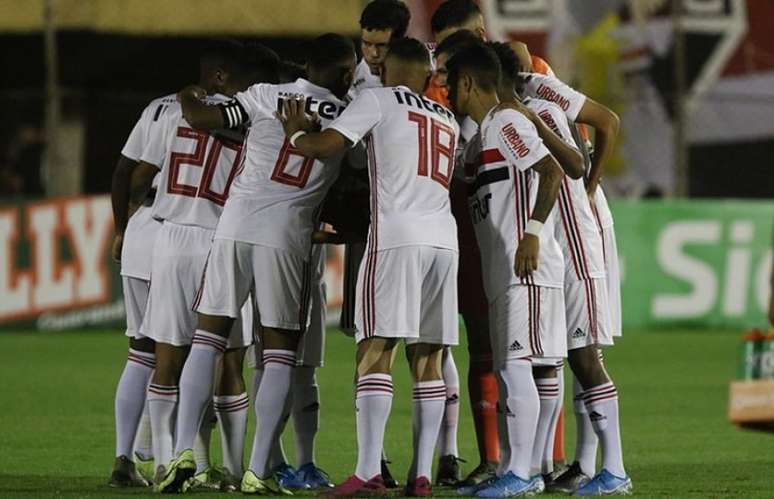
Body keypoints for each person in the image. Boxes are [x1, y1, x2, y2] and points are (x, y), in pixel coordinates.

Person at [160, 33, 356, 495]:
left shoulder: (266, 94)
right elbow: (357, 183)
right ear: (347, 74)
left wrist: (190, 92)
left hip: (234, 223)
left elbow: (203, 117)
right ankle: (258, 469)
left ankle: (183, 451)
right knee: (279, 352)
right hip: (287, 235)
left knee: (207, 337)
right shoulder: (350, 116)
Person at [277, 37, 460, 497]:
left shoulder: (375, 98)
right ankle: (420, 475)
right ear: (428, 75)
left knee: (374, 349)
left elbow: (327, 146)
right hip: (444, 238)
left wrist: (296, 132)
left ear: (386, 71)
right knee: (430, 356)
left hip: (397, 235)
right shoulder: (448, 118)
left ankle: (366, 472)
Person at [128, 42, 278, 493]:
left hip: (172, 237)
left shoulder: (177, 111)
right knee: (230, 359)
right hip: (223, 239)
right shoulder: (253, 117)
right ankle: (232, 470)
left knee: (167, 356)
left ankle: (167, 462)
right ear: (228, 78)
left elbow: (137, 177)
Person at [446, 42, 567, 497]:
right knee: (510, 369)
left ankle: (522, 472)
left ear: (468, 83)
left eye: (449, 81)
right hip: (502, 272)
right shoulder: (480, 137)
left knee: (517, 368)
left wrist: (533, 231)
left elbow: (551, 170)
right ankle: (517, 471)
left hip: (525, 266)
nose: (447, 90)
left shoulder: (506, 123)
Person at [108, 87, 172, 490]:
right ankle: (171, 461)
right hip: (184, 230)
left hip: (141, 227)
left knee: (140, 351)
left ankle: (124, 458)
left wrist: (120, 230)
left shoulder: (155, 106)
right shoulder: (230, 112)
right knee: (182, 351)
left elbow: (122, 171)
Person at [351, 0, 411, 99]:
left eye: (382, 46)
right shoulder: (350, 84)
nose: (374, 54)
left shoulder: (424, 74)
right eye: (367, 43)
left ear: (401, 41)